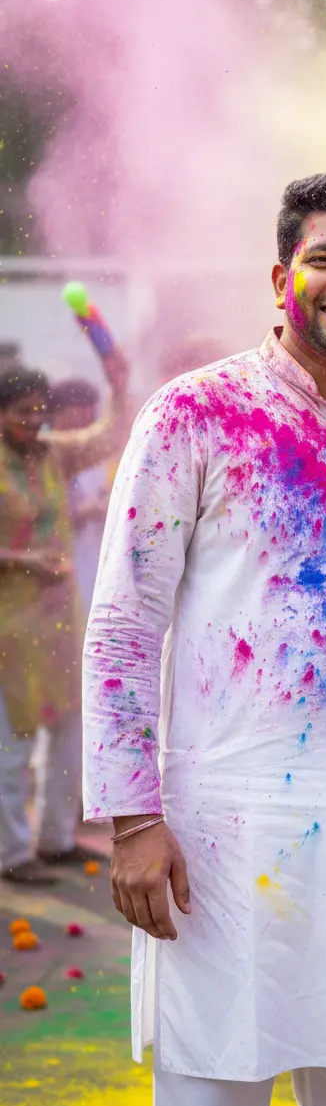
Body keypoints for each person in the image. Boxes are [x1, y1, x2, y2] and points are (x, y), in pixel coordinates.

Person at [82, 171, 326, 1106]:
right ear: (279, 276)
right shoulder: (194, 412)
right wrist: (133, 822)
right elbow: (125, 624)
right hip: (221, 832)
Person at [0, 357, 127, 884]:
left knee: (73, 731)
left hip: (60, 621)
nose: (33, 423)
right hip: (8, 628)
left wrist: (118, 383)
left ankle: (56, 838)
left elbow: (110, 435)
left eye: (39, 412)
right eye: (21, 413)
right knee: (13, 744)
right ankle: (11, 852)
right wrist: (20, 559)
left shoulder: (54, 453)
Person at [51, 379, 113, 609]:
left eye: (91, 415)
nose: (88, 423)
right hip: (59, 566)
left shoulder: (94, 458)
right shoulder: (43, 455)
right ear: (59, 414)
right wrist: (87, 510)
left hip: (94, 561)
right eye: (81, 415)